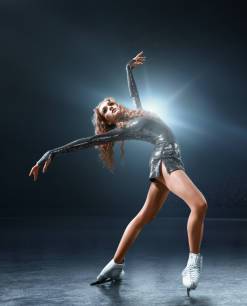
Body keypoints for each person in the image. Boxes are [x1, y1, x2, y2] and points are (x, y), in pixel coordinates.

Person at [29, 52, 207, 295]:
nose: (111, 107)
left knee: (143, 217)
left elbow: (135, 94)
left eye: (110, 103)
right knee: (199, 204)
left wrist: (128, 69)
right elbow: (88, 141)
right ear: (108, 121)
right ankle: (193, 264)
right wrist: (53, 151)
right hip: (166, 159)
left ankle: (115, 264)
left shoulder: (138, 114)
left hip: (166, 159)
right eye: (106, 110)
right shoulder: (122, 130)